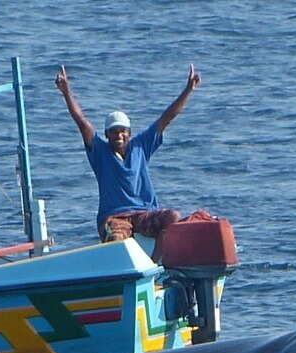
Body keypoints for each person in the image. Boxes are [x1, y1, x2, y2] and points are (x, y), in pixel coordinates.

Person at [54, 64, 201, 257]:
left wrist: (188, 90)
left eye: (123, 131)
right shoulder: (100, 152)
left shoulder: (141, 146)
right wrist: (66, 91)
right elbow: (82, 121)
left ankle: (155, 264)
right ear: (107, 135)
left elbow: (167, 117)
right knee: (115, 240)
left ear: (129, 133)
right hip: (115, 217)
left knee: (173, 216)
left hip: (143, 214)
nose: (119, 135)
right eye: (114, 132)